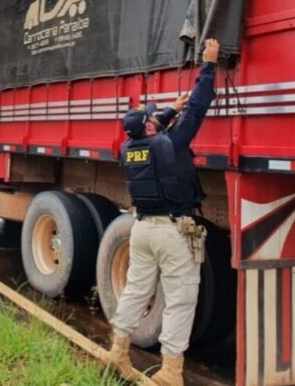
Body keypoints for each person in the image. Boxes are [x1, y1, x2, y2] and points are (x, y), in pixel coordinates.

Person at [105, 38, 220, 386]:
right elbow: (199, 107)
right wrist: (209, 65)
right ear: (151, 127)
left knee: (137, 291)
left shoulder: (129, 148)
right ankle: (170, 373)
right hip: (172, 233)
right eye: (155, 117)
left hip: (142, 230)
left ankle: (118, 352)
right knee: (181, 299)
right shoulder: (171, 143)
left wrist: (171, 107)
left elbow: (152, 125)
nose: (159, 117)